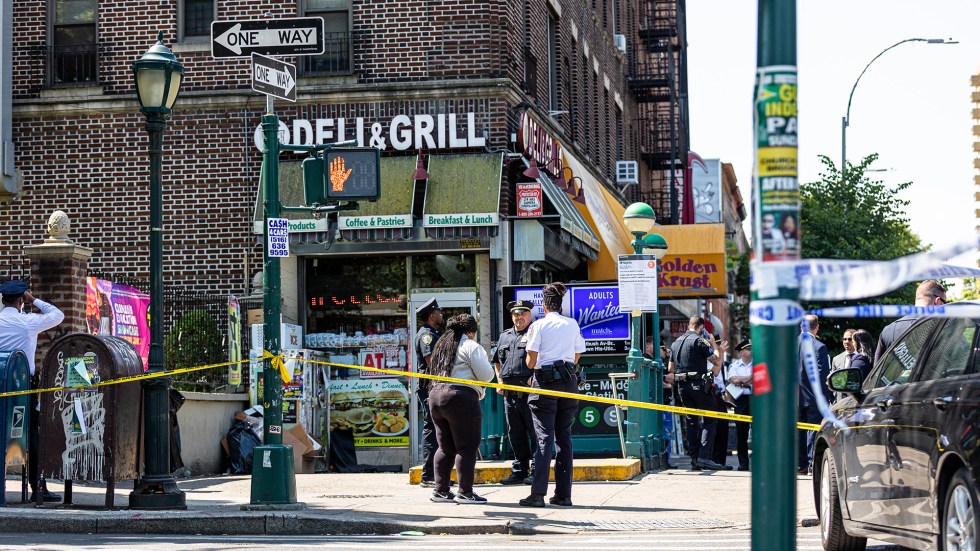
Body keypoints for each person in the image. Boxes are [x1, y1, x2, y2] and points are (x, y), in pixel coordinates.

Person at [519, 282, 585, 508]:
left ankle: (538, 494)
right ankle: (563, 495)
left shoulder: (538, 326)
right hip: (568, 383)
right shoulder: (573, 324)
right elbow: (577, 356)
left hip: (544, 384)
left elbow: (531, 361)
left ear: (545, 305)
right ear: (560, 304)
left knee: (544, 439)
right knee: (564, 438)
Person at [0, 280, 65, 502]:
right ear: (20, 301)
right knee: (31, 433)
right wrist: (34, 300)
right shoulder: (27, 321)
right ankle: (38, 487)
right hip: (22, 384)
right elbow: (58, 316)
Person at [426, 313, 495, 504]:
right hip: (460, 397)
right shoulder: (470, 345)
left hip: (435, 396)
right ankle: (465, 492)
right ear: (471, 332)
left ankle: (440, 491)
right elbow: (487, 375)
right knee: (466, 446)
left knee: (445, 447)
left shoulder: (441, 345)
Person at [668, 316, 727, 471]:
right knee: (711, 418)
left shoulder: (675, 343)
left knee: (692, 422)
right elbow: (715, 361)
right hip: (698, 386)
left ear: (689, 326)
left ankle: (695, 460)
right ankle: (704, 458)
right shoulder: (699, 341)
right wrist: (714, 344)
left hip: (682, 387)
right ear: (701, 328)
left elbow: (671, 369)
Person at [491, 300, 536, 485]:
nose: (519, 318)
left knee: (535, 433)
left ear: (529, 315)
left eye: (522, 314)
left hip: (530, 393)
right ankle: (519, 471)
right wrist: (500, 381)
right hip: (509, 395)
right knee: (515, 434)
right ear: (512, 316)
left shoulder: (535, 333)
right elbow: (496, 360)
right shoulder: (505, 336)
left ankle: (536, 470)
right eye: (516, 314)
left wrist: (536, 376)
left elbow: (542, 356)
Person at [875, 280, 947, 359]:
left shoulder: (888, 330)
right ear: (938, 301)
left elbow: (877, 369)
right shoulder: (945, 332)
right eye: (945, 303)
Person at [413, 298, 443, 488]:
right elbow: (431, 361)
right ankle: (429, 475)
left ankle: (433, 474)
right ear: (432, 315)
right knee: (431, 430)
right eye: (439, 312)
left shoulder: (433, 333)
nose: (442, 315)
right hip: (428, 387)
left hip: (432, 387)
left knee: (436, 429)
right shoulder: (427, 336)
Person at [798, 314, 832, 475]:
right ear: (816, 327)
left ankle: (800, 464)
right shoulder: (819, 347)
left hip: (794, 397)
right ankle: (811, 465)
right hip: (813, 397)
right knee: (812, 430)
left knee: (798, 430)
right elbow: (821, 374)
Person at [726, 339, 753, 471]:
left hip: (756, 399)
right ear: (742, 352)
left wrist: (742, 382)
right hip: (741, 400)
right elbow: (733, 380)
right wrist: (750, 379)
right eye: (749, 349)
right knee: (741, 434)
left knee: (759, 433)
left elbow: (762, 380)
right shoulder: (735, 365)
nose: (751, 350)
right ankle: (743, 463)